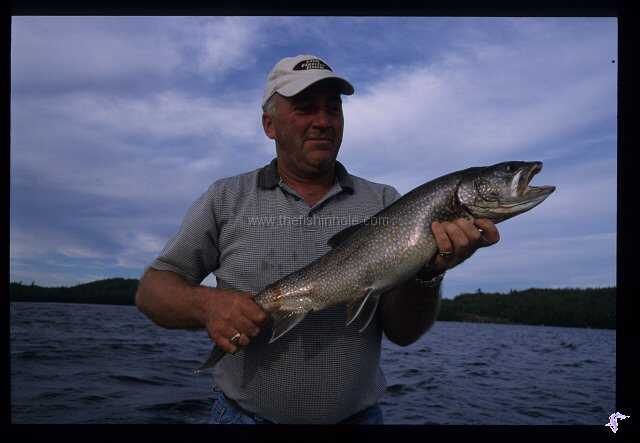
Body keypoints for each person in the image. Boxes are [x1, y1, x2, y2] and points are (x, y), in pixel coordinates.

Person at [135, 54, 500, 424]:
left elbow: (403, 334)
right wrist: (206, 305)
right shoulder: (225, 198)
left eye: (333, 109)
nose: (323, 122)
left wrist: (429, 272)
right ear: (269, 124)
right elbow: (151, 290)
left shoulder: (386, 202)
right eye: (305, 108)